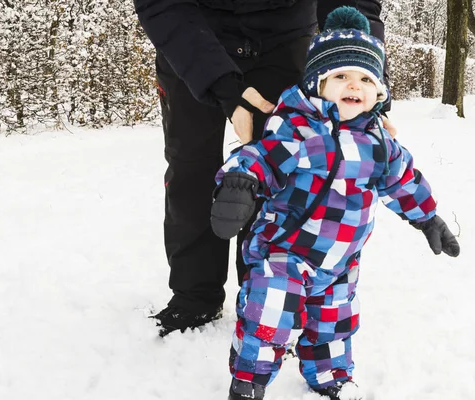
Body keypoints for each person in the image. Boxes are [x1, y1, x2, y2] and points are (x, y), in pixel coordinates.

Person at [210, 7, 460, 400]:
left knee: (333, 324)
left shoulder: (379, 144)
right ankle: (249, 380)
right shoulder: (297, 129)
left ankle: (330, 378)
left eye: (364, 78)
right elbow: (261, 156)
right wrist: (240, 180)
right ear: (318, 83)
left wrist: (427, 217)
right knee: (269, 315)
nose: (353, 85)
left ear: (378, 92)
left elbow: (402, 180)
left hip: (340, 262)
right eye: (340, 76)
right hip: (285, 250)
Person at [133, 0, 393, 337]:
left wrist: (366, 81)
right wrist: (223, 86)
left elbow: (353, 5)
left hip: (284, 36)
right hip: (191, 35)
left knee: (283, 171)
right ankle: (195, 297)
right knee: (190, 169)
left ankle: (266, 297)